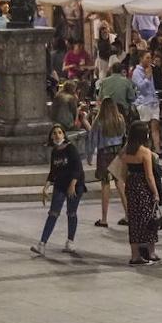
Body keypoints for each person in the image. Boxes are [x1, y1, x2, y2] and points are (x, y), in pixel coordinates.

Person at [31, 124, 85, 257]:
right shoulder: (55, 151)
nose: (57, 135)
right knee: (53, 213)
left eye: (60, 132)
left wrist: (72, 184)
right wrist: (46, 187)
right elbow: (53, 171)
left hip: (75, 184)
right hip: (60, 185)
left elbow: (77, 168)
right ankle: (42, 244)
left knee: (71, 213)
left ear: (64, 134)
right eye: (54, 133)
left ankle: (70, 241)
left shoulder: (71, 148)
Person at [120, 121, 161, 266]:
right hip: (144, 187)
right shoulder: (145, 152)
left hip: (131, 185)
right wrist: (155, 193)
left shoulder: (125, 151)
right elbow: (149, 176)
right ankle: (151, 251)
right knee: (149, 219)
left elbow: (123, 173)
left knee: (134, 220)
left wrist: (129, 184)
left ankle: (135, 254)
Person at [91, 98, 127, 228]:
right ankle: (128, 215)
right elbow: (124, 135)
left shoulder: (99, 121)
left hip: (104, 153)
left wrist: (89, 156)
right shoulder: (120, 119)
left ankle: (104, 219)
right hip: (118, 152)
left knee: (105, 184)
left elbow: (93, 139)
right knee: (120, 184)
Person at [132, 51, 162, 156]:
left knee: (155, 126)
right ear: (141, 58)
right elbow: (141, 88)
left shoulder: (149, 69)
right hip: (143, 103)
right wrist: (147, 78)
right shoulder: (136, 72)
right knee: (144, 128)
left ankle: (158, 150)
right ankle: (145, 149)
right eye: (147, 58)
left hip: (153, 102)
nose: (150, 60)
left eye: (150, 58)